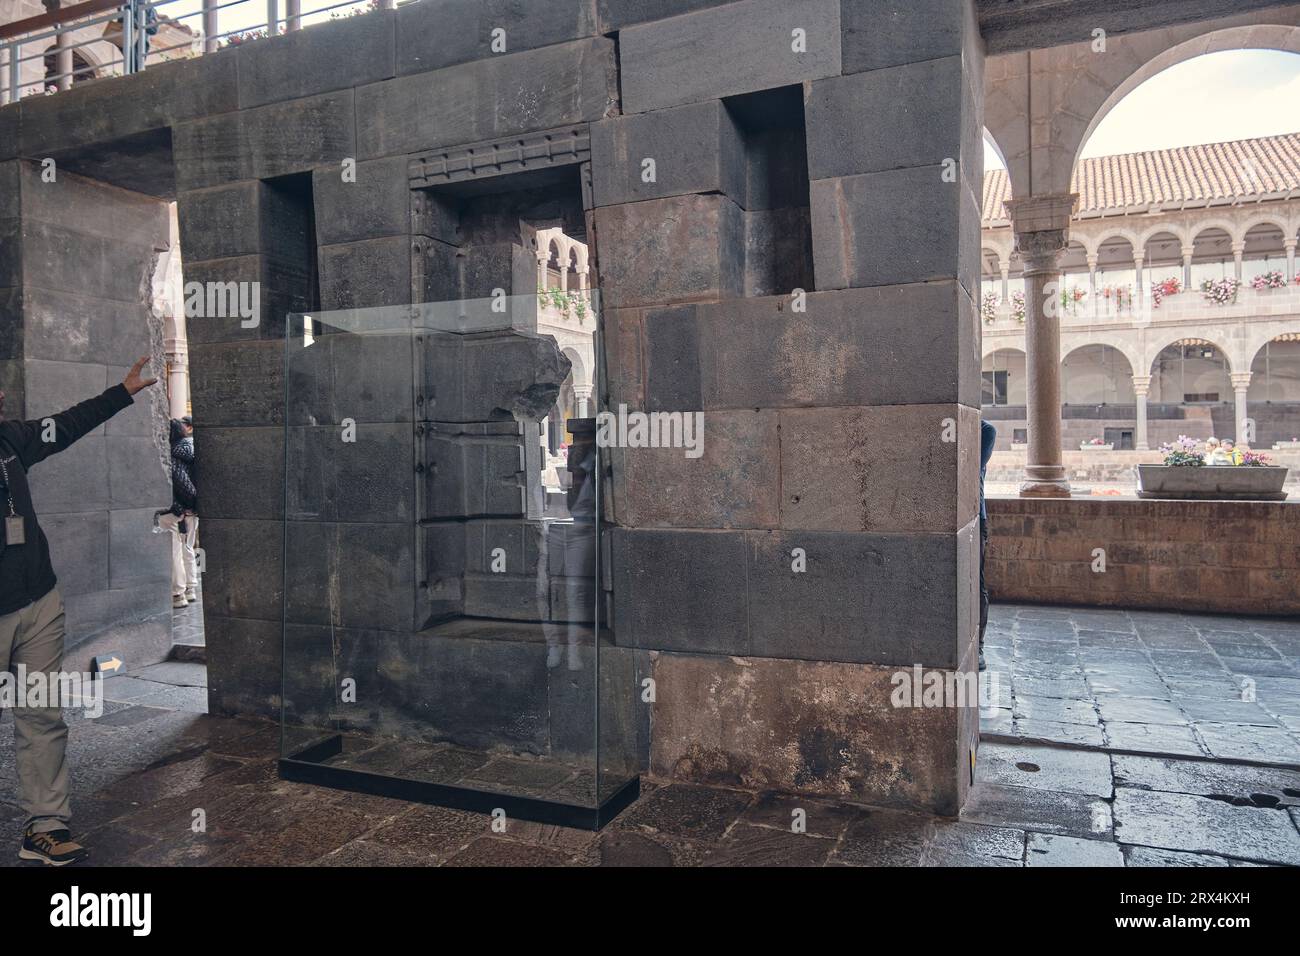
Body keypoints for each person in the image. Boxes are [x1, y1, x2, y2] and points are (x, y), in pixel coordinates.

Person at [1, 357, 158, 865]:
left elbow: (63, 427)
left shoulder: (10, 441)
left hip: (38, 602)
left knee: (41, 714)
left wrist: (122, 392)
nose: (2, 397)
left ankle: (44, 825)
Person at [157, 417, 198, 607]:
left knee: (175, 549)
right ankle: (191, 587)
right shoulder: (191, 451)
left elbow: (183, 484)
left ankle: (178, 593)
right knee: (187, 547)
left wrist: (183, 506)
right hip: (191, 510)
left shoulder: (172, 455)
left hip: (177, 509)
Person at [979, 419, 997, 672]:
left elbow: (969, 467)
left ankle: (979, 644)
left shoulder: (985, 431)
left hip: (976, 518)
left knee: (977, 583)